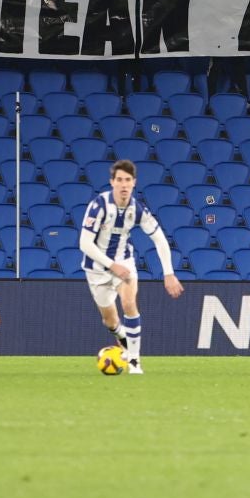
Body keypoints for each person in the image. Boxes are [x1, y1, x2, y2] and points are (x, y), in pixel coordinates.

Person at [77, 160, 185, 376]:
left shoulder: (138, 210)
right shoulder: (98, 206)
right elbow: (84, 243)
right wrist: (110, 265)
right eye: (119, 180)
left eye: (128, 180)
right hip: (97, 269)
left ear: (134, 183)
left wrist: (169, 273)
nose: (123, 185)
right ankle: (126, 343)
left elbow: (160, 239)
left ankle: (134, 361)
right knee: (110, 321)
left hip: (124, 263)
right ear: (112, 182)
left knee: (128, 302)